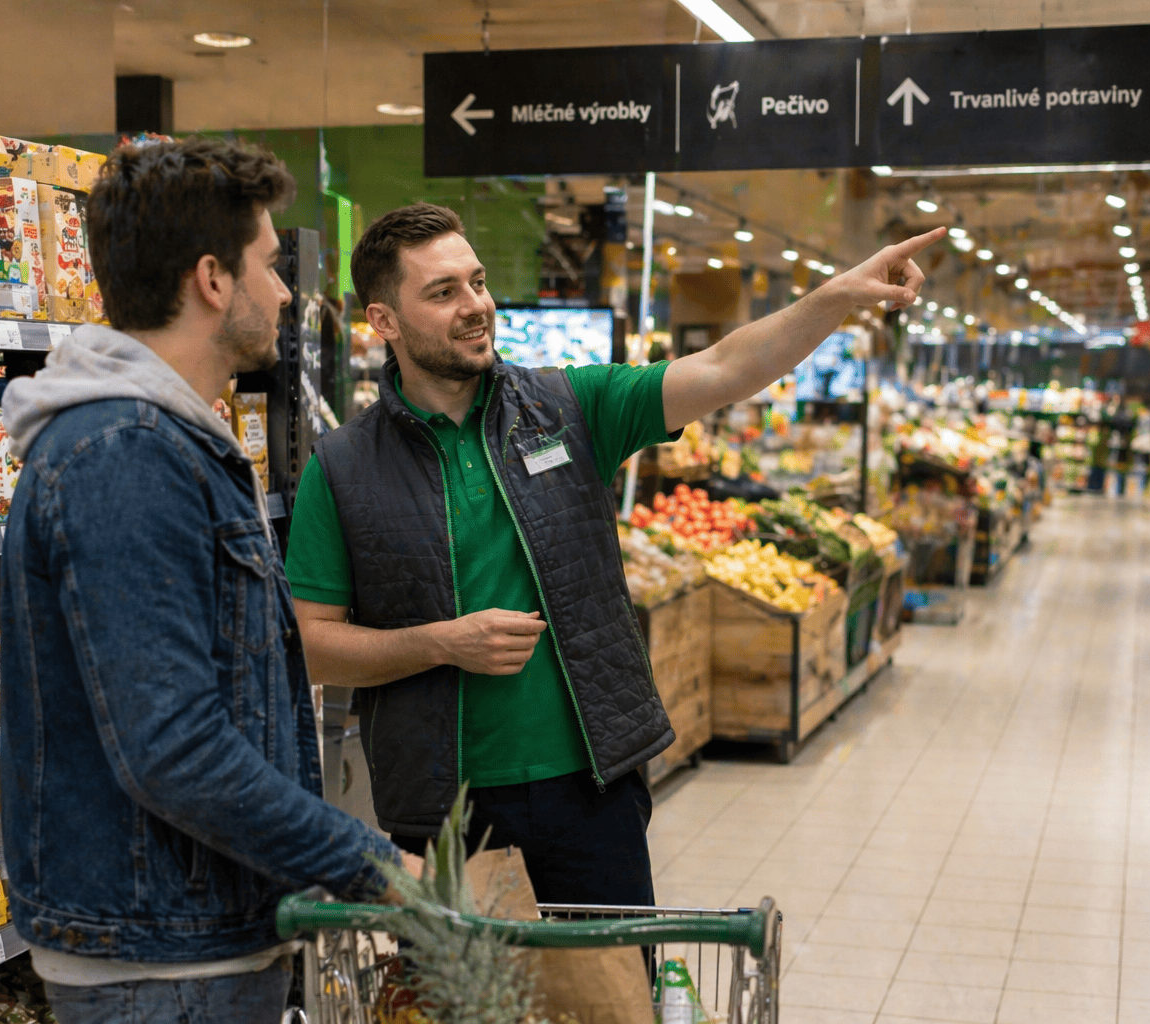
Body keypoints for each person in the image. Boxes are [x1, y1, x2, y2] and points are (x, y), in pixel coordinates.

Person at [286, 202, 943, 906]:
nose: (475, 306)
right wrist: (439, 644)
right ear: (383, 320)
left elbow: (725, 367)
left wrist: (836, 296)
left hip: (593, 789)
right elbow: (311, 644)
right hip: (442, 810)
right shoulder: (344, 466)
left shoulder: (568, 406)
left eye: (477, 283)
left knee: (614, 997)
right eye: (443, 293)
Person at [0, 138, 402, 1024]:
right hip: (161, 964)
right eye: (268, 263)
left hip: (189, 943)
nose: (287, 291)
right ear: (212, 279)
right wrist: (374, 865)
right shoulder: (125, 456)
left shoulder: (166, 441)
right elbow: (173, 747)